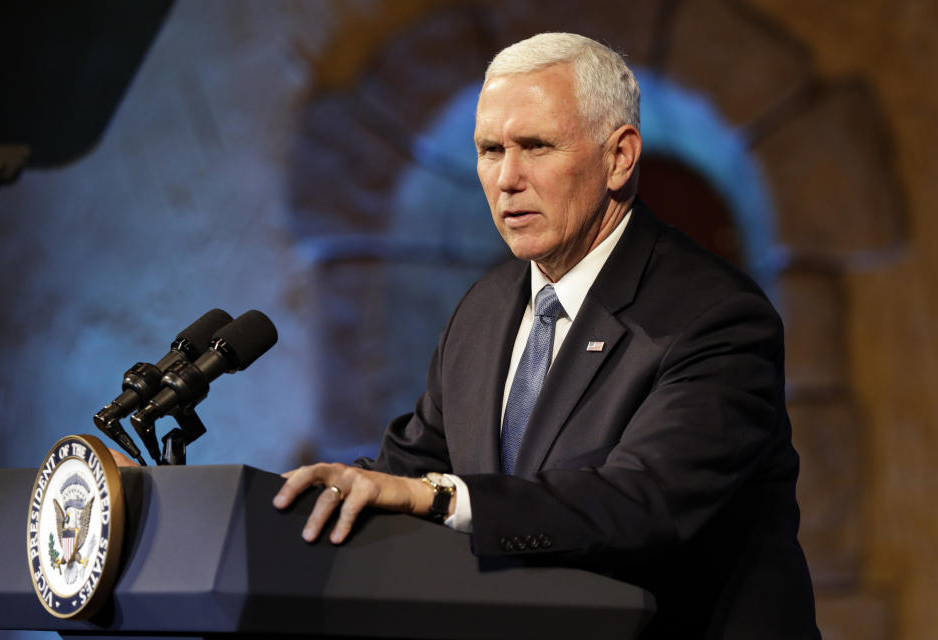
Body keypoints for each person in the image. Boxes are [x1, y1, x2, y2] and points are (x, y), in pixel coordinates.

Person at [273, 32, 820, 638]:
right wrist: (298, 504)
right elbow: (407, 471)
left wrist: (439, 499)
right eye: (489, 150)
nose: (507, 178)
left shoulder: (715, 317)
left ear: (619, 157)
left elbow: (643, 502)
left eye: (535, 146)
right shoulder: (484, 310)